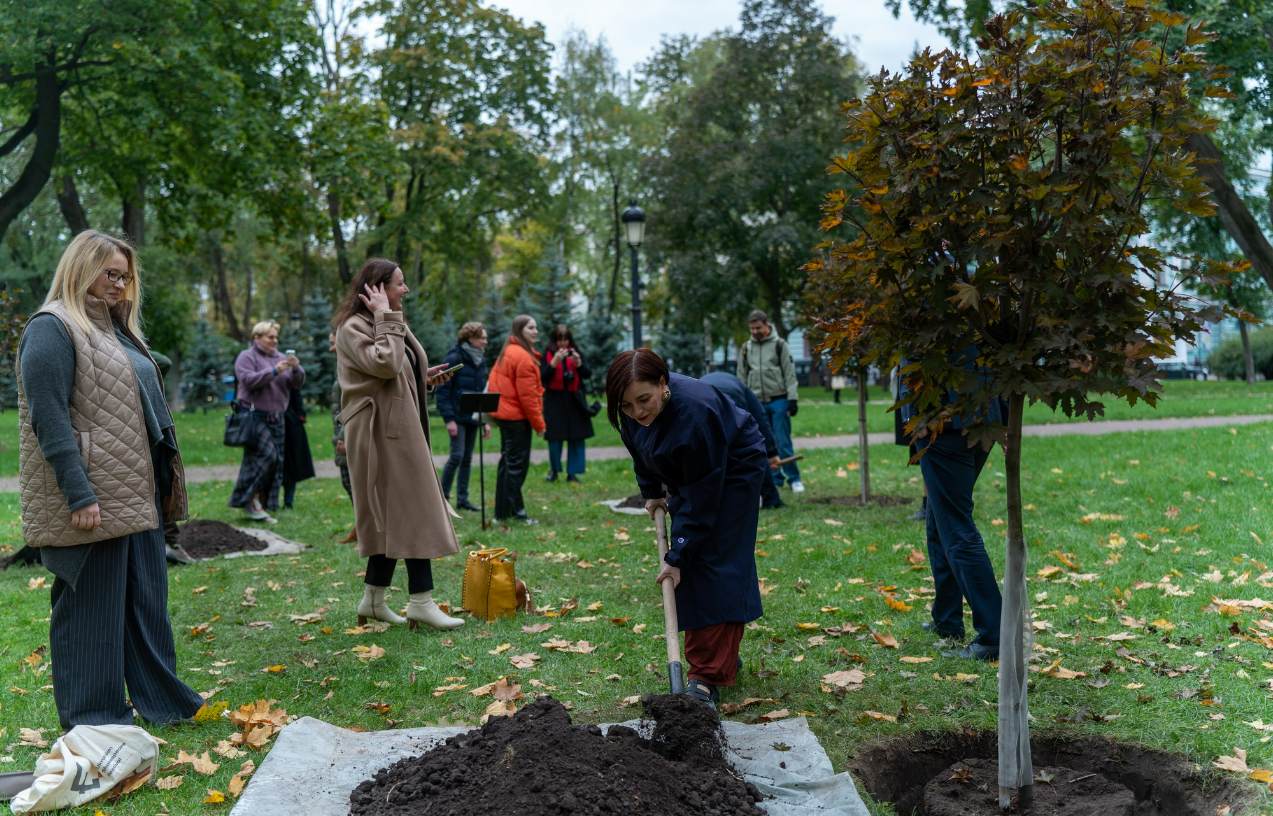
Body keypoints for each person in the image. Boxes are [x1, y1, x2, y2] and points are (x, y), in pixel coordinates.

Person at [17, 229, 205, 730]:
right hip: (93, 496)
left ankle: (163, 702)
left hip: (136, 494)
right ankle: (94, 719)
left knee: (147, 605)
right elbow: (49, 418)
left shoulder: (115, 328)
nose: (120, 285)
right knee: (90, 616)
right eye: (110, 274)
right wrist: (79, 494)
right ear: (81, 269)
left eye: (126, 276)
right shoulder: (51, 328)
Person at [609, 349, 766, 709]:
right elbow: (638, 447)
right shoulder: (635, 410)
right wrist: (651, 492)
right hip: (695, 472)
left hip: (733, 466)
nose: (637, 412)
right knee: (691, 558)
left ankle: (707, 677)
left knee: (712, 559)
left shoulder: (694, 417)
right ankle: (718, 656)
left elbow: (702, 500)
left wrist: (677, 554)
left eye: (644, 400)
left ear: (663, 384)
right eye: (626, 406)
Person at [333, 258, 463, 631]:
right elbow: (386, 365)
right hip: (377, 434)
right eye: (399, 284)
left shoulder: (379, 321)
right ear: (377, 288)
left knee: (393, 515)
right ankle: (421, 600)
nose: (405, 290)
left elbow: (392, 371)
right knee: (412, 509)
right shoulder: (353, 327)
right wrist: (384, 315)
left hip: (393, 430)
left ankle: (372, 600)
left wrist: (423, 378)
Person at [899, 350, 1003, 661]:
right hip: (978, 415)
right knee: (938, 517)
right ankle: (947, 620)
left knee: (955, 525)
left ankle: (994, 636)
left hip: (943, 423)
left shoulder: (921, 304)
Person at [228, 320, 305, 524]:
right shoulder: (246, 357)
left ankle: (264, 504)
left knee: (276, 462)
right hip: (254, 417)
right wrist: (273, 372)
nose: (275, 340)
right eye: (270, 337)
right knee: (266, 456)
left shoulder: (281, 358)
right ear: (257, 338)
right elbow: (247, 380)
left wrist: (296, 370)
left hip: (277, 417)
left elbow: (297, 384)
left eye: (276, 337)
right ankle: (249, 501)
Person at [486, 315, 545, 524]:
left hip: (506, 416)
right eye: (531, 327)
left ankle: (501, 514)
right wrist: (539, 425)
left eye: (536, 327)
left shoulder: (510, 351)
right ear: (520, 330)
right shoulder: (522, 357)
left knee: (508, 464)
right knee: (516, 466)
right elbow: (528, 398)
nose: (535, 331)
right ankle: (518, 515)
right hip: (515, 419)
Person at [737, 309, 803, 493]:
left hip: (779, 400)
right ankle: (776, 478)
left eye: (758, 327)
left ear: (766, 325)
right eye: (752, 329)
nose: (755, 331)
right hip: (756, 402)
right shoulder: (746, 348)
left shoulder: (780, 345)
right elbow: (741, 377)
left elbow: (789, 373)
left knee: (782, 442)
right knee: (762, 443)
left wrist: (792, 399)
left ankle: (794, 478)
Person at [700, 371, 785, 509]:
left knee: (714, 452)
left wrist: (771, 453)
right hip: (724, 399)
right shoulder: (739, 386)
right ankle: (772, 500)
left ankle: (713, 501)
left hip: (715, 400)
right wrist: (770, 453)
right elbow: (761, 422)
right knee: (754, 450)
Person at [434, 321, 491, 511]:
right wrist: (449, 419)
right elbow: (442, 391)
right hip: (457, 418)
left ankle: (462, 499)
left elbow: (481, 392)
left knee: (467, 459)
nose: (486, 341)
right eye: (482, 338)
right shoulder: (455, 357)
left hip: (472, 418)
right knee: (456, 456)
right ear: (471, 338)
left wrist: (485, 421)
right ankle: (442, 498)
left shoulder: (479, 360)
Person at [540, 324, 595, 483]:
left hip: (575, 400)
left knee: (577, 437)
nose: (563, 343)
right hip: (554, 401)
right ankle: (554, 470)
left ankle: (573, 473)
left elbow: (587, 374)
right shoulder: (548, 355)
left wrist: (578, 363)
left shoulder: (576, 353)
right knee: (554, 439)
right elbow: (542, 377)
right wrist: (554, 363)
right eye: (559, 340)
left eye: (565, 339)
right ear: (555, 340)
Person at [329, 330, 356, 543]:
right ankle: (361, 527)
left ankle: (365, 529)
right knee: (348, 483)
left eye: (333, 343)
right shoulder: (342, 366)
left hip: (348, 434)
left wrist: (344, 436)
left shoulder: (351, 367)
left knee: (353, 483)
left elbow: (351, 405)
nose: (331, 348)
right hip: (341, 433)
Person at [281, 387, 316, 509]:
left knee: (292, 465)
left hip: (291, 424)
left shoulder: (291, 374)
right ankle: (269, 501)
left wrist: (298, 417)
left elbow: (296, 395)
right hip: (271, 420)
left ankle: (288, 501)